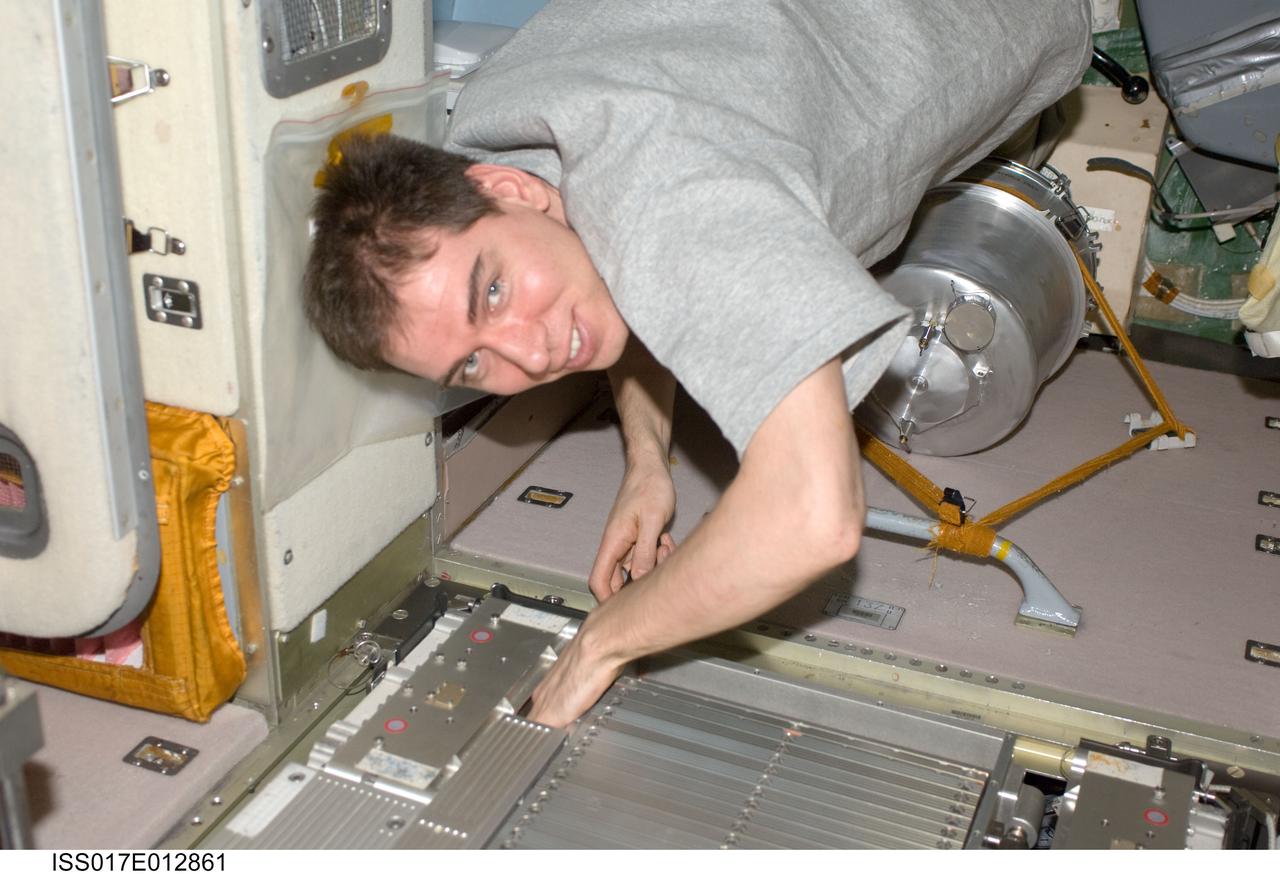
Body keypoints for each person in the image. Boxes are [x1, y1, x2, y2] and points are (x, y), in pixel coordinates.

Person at [304, 1, 1093, 727]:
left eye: (494, 292)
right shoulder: (489, 132)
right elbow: (619, 274)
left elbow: (811, 519)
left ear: (510, 191)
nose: (528, 351)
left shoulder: (674, 203)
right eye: (472, 365)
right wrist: (647, 461)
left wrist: (603, 641)